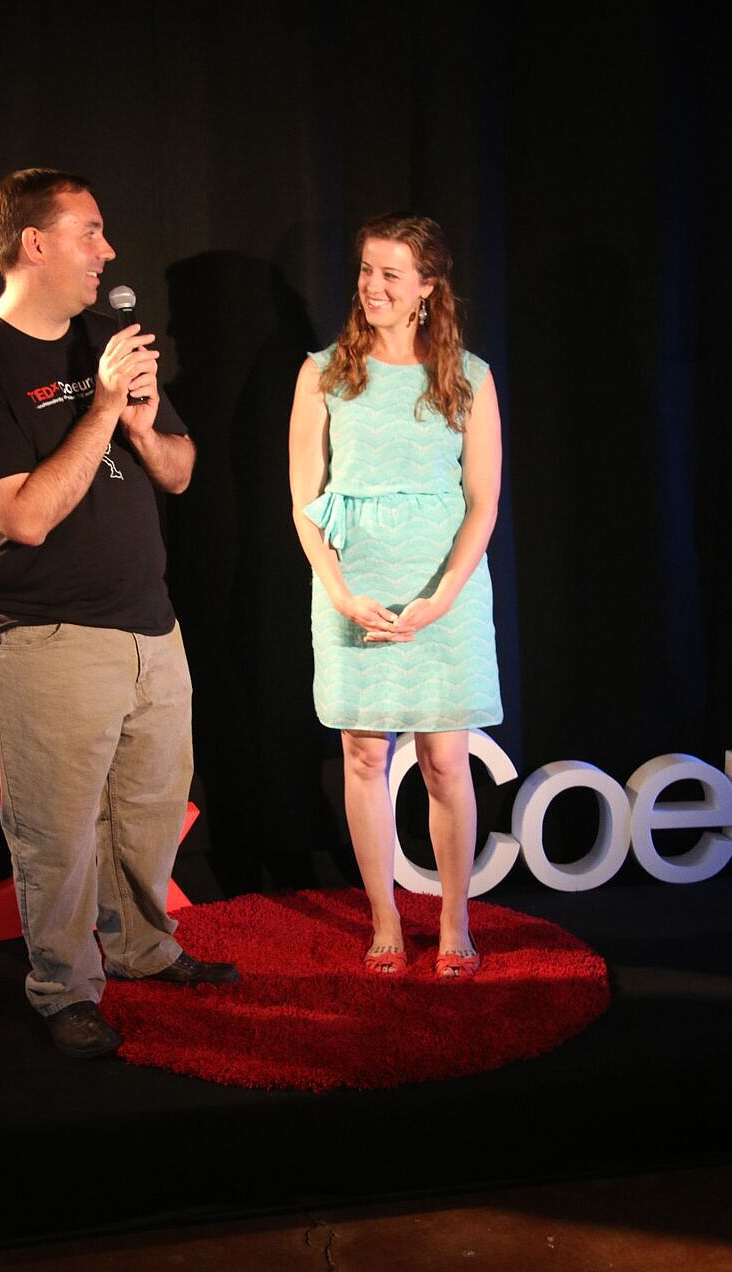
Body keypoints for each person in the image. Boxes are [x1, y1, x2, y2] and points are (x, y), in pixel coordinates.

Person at [0, 169, 239, 1059]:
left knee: (147, 813)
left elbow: (178, 471)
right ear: (35, 243)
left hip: (149, 626)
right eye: (90, 233)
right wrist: (104, 406)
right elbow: (21, 516)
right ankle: (64, 989)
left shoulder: (108, 338)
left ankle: (143, 949)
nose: (108, 251)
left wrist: (141, 423)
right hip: (43, 635)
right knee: (56, 833)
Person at [289, 212, 502, 978]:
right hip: (354, 593)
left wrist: (442, 597)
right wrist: (341, 595)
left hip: (440, 593)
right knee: (360, 755)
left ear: (426, 288)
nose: (370, 286)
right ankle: (384, 919)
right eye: (364, 271)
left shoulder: (468, 376)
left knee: (446, 760)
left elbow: (481, 501)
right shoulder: (322, 373)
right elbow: (302, 501)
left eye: (389, 274)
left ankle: (453, 920)